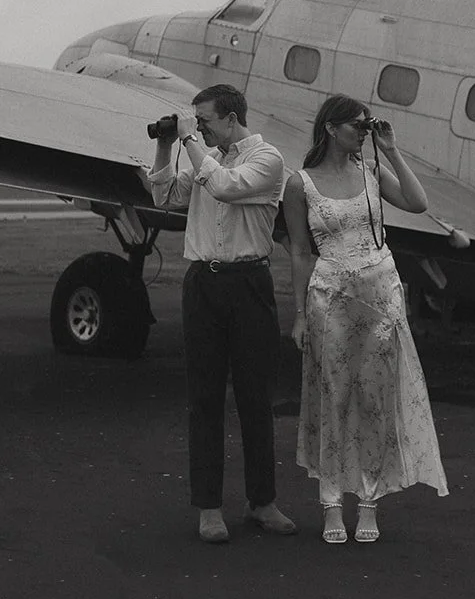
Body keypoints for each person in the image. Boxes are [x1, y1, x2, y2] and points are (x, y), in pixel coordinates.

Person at [282, 94, 448, 545]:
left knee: (376, 399)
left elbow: (417, 202)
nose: (363, 131)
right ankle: (332, 500)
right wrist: (298, 314)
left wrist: (390, 148)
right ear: (331, 128)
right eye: (357, 125)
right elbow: (299, 251)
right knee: (333, 396)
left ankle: (370, 500)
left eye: (365, 125)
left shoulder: (371, 171)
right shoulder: (300, 184)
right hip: (331, 297)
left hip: (381, 293)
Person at [145, 84, 298, 543]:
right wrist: (165, 143)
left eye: (205, 119)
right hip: (204, 283)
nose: (201, 127)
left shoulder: (268, 160)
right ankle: (209, 508)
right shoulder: (204, 159)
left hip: (249, 283)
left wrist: (191, 142)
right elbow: (164, 197)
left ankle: (262, 501)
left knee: (256, 398)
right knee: (205, 398)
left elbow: (228, 188)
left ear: (231, 118)